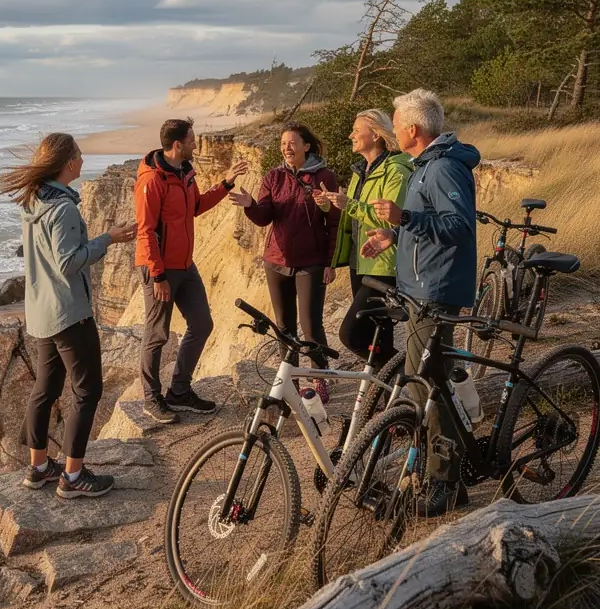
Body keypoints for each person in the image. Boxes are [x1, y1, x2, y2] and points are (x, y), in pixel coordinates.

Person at [361, 89, 480, 518]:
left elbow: (459, 226)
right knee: (427, 384)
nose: (392, 129)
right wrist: (393, 234)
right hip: (420, 288)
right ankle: (447, 476)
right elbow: (428, 222)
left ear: (412, 129)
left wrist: (405, 218)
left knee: (427, 388)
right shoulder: (423, 166)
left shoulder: (443, 167)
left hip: (436, 290)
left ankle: (443, 481)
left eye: (396, 122)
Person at [1, 133, 136, 500]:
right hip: (69, 313)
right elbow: (68, 262)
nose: (82, 159)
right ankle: (73, 476)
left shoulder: (33, 201)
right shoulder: (63, 209)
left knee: (45, 389)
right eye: (78, 154)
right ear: (67, 163)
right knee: (87, 390)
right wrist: (108, 239)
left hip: (41, 312)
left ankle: (39, 467)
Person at [135, 118, 249, 424]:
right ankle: (151, 399)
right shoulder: (152, 181)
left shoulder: (185, 173)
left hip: (185, 264)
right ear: (177, 145)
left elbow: (196, 206)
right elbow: (146, 232)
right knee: (157, 334)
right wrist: (158, 275)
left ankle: (180, 391)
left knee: (202, 324)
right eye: (192, 140)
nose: (196, 145)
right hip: (160, 268)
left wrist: (225, 184)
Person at [228, 124, 339, 403]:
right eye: (282, 144)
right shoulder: (273, 177)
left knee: (311, 324)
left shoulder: (324, 177)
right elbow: (265, 216)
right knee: (284, 327)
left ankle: (319, 378)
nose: (286, 148)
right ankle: (290, 381)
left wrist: (330, 262)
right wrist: (251, 204)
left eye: (292, 143)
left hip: (311, 262)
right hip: (276, 261)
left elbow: (334, 223)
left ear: (306, 147)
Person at [312, 110, 413, 363]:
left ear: (376, 135)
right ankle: (388, 385)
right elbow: (356, 216)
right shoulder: (360, 171)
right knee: (377, 336)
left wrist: (349, 204)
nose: (351, 135)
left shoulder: (396, 171)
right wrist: (329, 205)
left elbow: (391, 220)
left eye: (356, 130)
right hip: (360, 261)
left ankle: (406, 375)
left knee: (351, 335)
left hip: (384, 264)